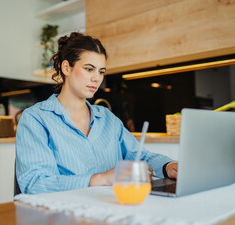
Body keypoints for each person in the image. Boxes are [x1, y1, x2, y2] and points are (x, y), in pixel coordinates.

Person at [15, 32, 178, 194]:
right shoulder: (35, 118)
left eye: (101, 71)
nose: (96, 79)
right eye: (89, 69)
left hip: (112, 207)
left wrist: (167, 167)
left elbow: (138, 154)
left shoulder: (107, 118)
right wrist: (101, 178)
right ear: (66, 68)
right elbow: (35, 183)